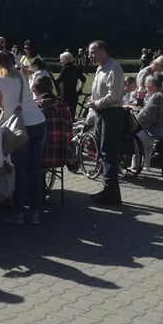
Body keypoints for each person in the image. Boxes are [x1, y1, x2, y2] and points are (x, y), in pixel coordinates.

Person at [0, 51, 47, 223]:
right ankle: (35, 211)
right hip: (38, 122)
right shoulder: (20, 76)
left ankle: (18, 211)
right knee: (34, 169)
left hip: (20, 127)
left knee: (19, 170)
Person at [87, 40, 124, 205]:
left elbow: (114, 95)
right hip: (101, 113)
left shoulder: (114, 69)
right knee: (102, 151)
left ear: (103, 51)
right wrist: (94, 102)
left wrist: (97, 103)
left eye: (93, 52)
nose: (90, 56)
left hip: (112, 113)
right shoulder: (100, 69)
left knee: (109, 151)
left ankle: (112, 192)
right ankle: (108, 189)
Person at [32, 76, 73, 178]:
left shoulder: (37, 107)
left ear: (35, 90)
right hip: (63, 154)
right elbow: (70, 131)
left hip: (43, 155)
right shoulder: (64, 106)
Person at [54, 51, 86, 118]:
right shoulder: (75, 67)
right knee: (71, 117)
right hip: (74, 95)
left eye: (61, 60)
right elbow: (83, 79)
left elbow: (58, 80)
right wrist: (80, 89)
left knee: (64, 117)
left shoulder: (65, 68)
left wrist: (53, 79)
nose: (60, 61)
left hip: (65, 96)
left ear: (66, 59)